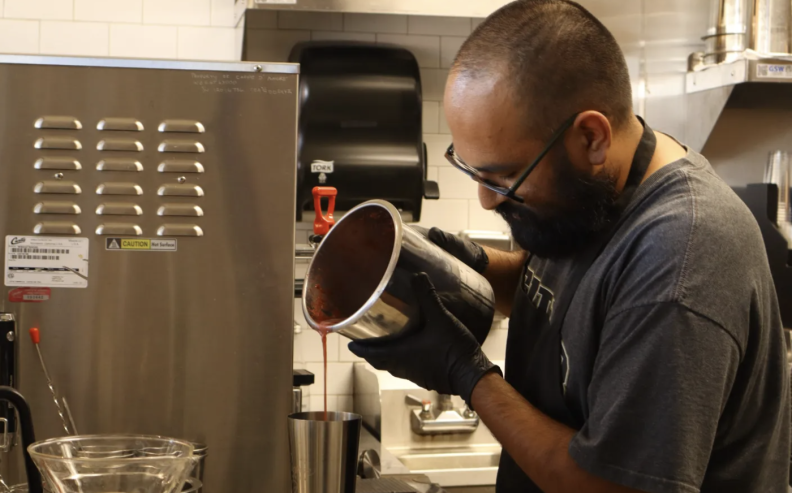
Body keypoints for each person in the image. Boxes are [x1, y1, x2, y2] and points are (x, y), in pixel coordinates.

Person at [348, 1, 791, 492]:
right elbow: (566, 290)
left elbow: (609, 486)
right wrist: (468, 268)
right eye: (472, 169)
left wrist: (467, 375)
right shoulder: (597, 192)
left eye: (505, 175)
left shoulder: (682, 257)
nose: (487, 199)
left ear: (591, 137)